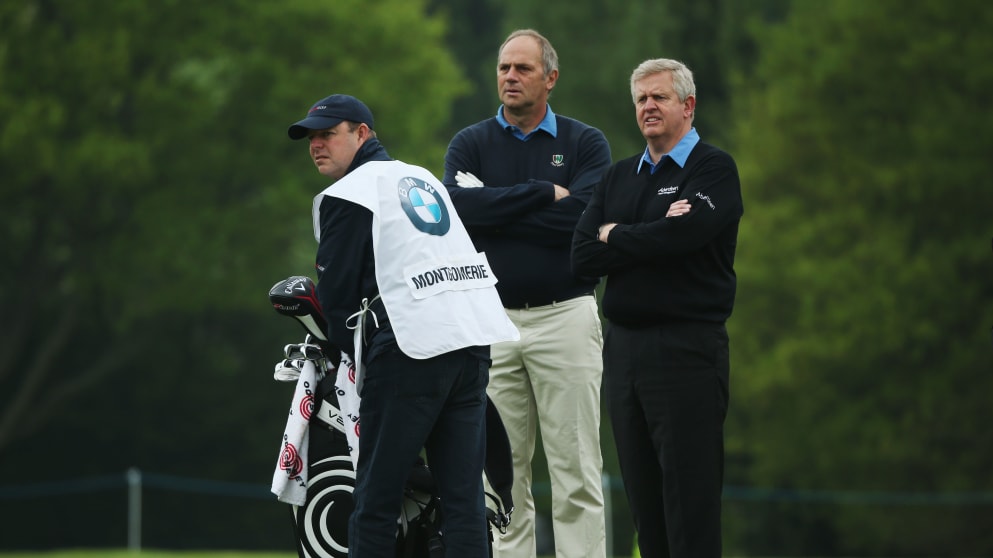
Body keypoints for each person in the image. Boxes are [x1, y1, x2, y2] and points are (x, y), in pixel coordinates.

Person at [287, 93, 519, 557]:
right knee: (464, 503)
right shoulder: (420, 177)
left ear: (362, 133)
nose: (317, 145)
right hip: (472, 344)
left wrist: (340, 354)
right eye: (312, 137)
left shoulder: (347, 194)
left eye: (329, 134)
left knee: (374, 499)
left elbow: (336, 297)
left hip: (412, 349)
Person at [442, 29, 612, 558]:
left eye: (523, 69)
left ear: (551, 78)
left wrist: (498, 210)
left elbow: (584, 220)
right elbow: (459, 214)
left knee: (576, 468)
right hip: (490, 321)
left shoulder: (585, 143)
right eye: (504, 68)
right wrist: (543, 194)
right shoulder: (469, 143)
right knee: (500, 473)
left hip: (567, 316)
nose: (510, 77)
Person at [571, 58, 743, 558]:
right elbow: (583, 252)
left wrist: (617, 234)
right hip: (623, 352)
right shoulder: (620, 175)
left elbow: (685, 236)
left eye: (659, 97)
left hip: (687, 349)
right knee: (645, 507)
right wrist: (650, 233)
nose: (648, 106)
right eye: (641, 99)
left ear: (687, 106)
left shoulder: (713, 168)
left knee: (690, 506)